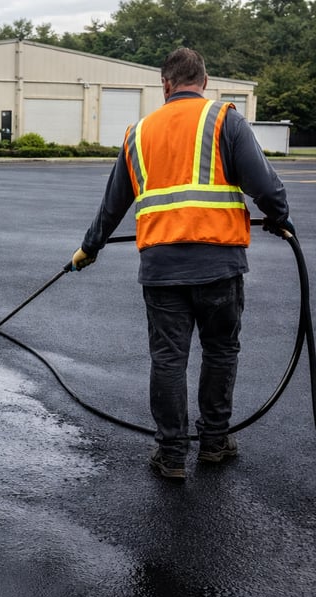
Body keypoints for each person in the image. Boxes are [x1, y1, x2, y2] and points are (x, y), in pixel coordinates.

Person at [70, 47, 292, 480]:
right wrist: (279, 218)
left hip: (162, 268)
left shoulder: (138, 132)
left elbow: (113, 204)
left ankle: (171, 454)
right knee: (221, 349)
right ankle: (213, 442)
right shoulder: (224, 119)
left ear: (165, 85)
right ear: (204, 81)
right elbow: (264, 184)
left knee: (169, 358)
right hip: (219, 263)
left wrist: (89, 248)